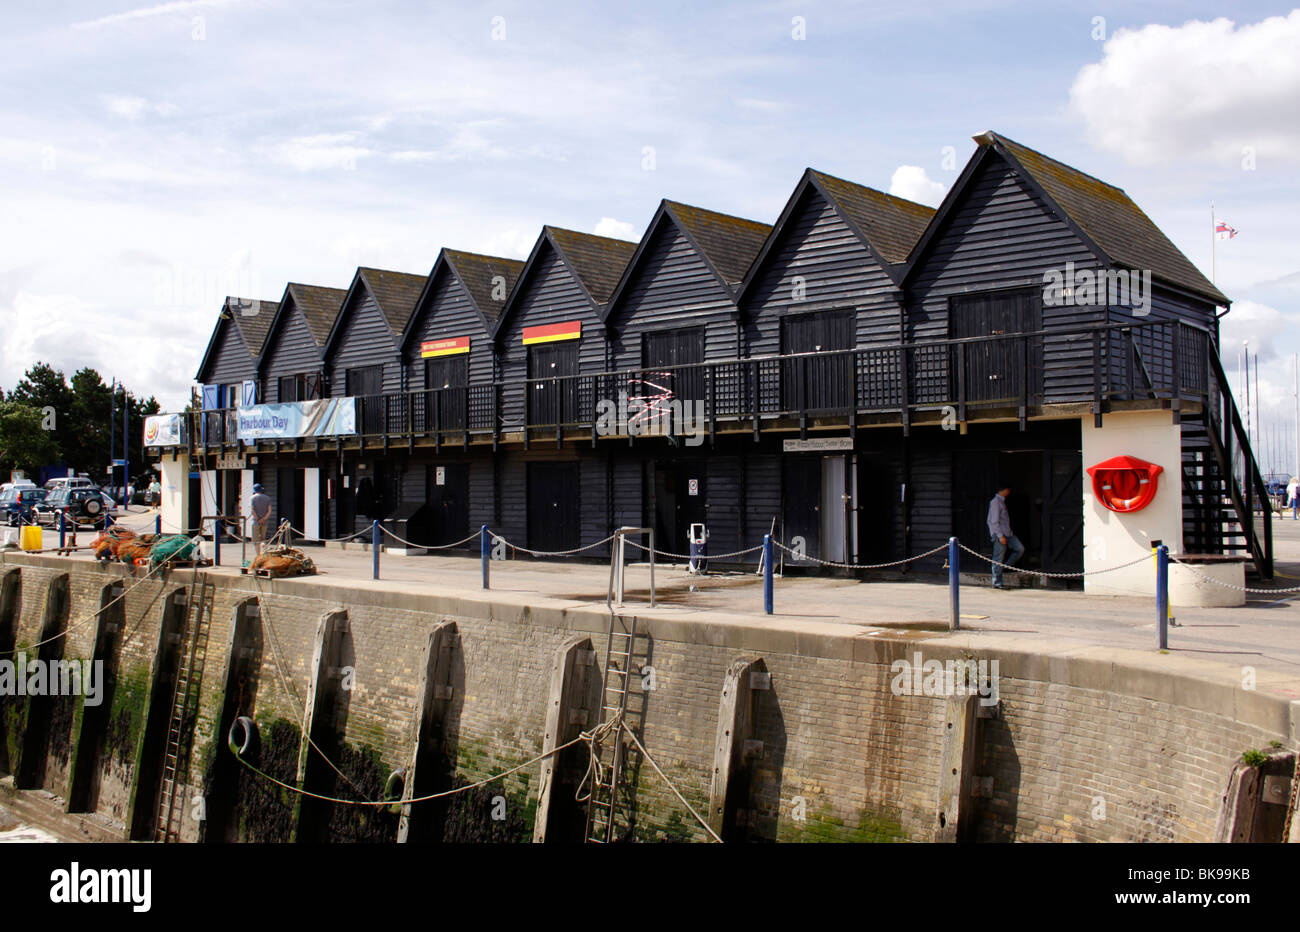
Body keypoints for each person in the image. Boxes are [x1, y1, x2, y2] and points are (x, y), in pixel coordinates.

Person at [986, 483, 1024, 589]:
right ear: (1004, 490)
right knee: (998, 557)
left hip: (1007, 533)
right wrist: (999, 536)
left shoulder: (1001, 502)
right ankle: (997, 582)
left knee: (1019, 549)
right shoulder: (995, 502)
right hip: (1000, 534)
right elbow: (994, 521)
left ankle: (1005, 567)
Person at [250, 482, 272, 554]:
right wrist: (264, 519)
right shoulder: (267, 498)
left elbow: (252, 510)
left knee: (256, 541)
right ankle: (264, 554)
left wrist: (257, 519)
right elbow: (269, 511)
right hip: (265, 522)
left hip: (255, 522)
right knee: (263, 539)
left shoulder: (252, 498)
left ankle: (258, 555)